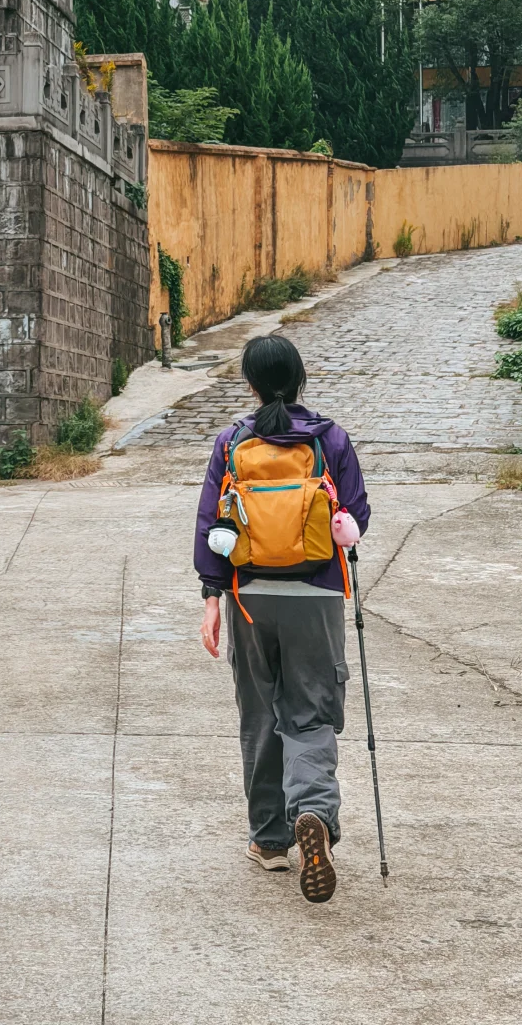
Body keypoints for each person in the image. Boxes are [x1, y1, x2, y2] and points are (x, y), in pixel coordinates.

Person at [194, 334, 369, 903]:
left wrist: (211, 598)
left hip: (250, 597)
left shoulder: (232, 442)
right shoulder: (330, 438)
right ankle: (314, 811)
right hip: (315, 596)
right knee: (311, 712)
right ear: (301, 377)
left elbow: (210, 524)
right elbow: (355, 514)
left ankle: (269, 840)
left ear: (249, 382)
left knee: (260, 712)